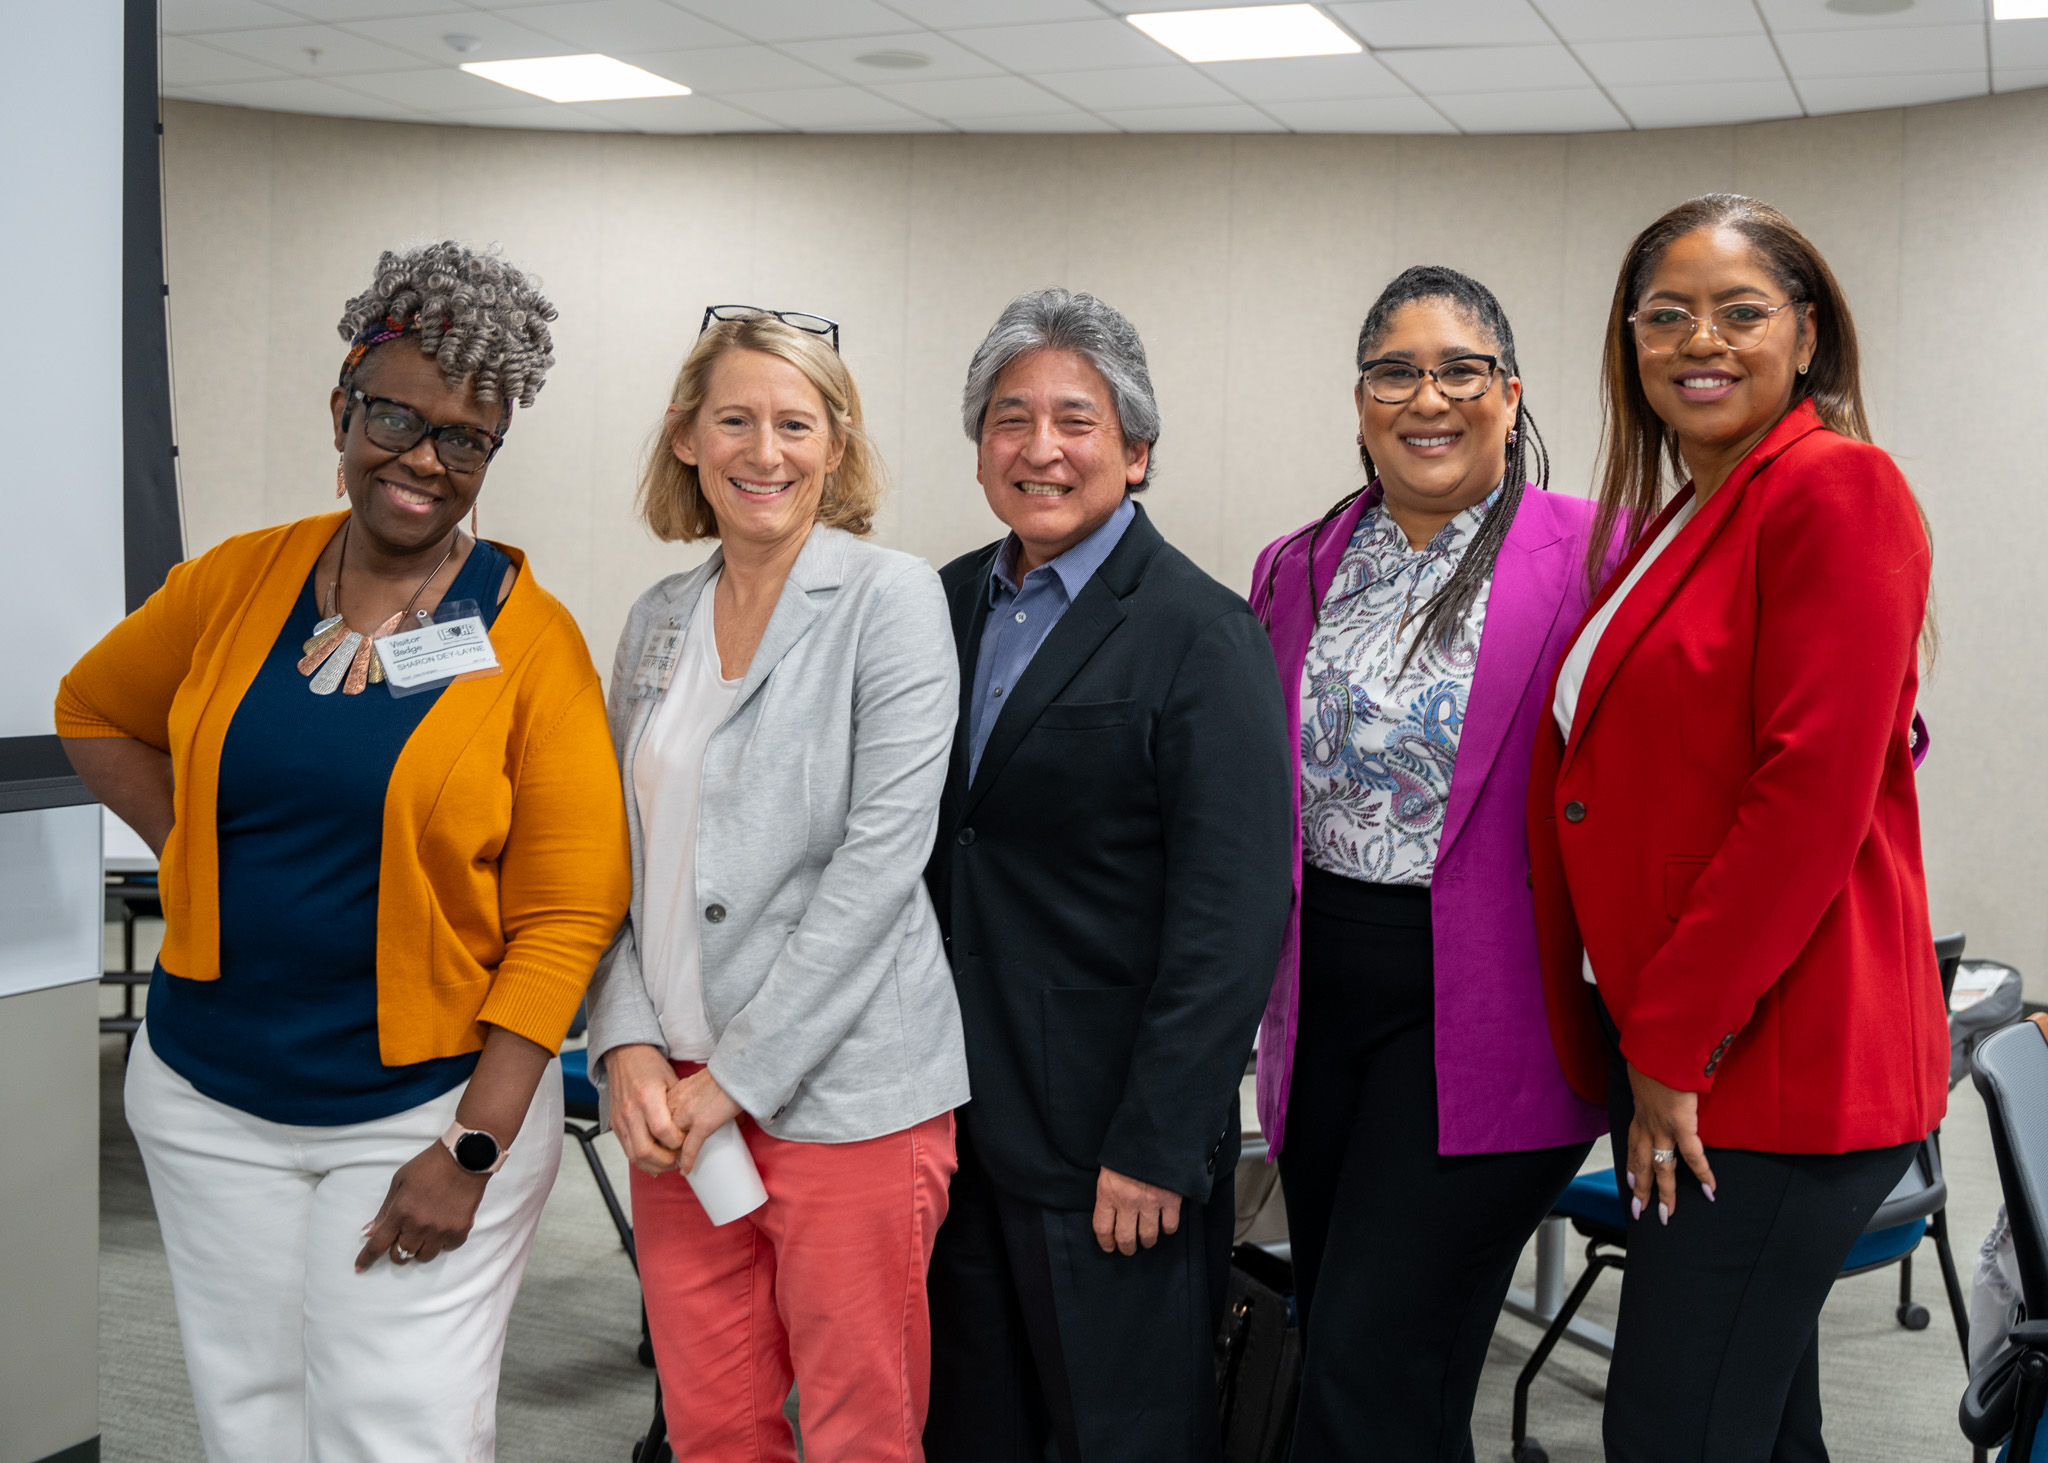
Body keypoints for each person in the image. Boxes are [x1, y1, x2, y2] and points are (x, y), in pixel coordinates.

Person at [54, 241, 630, 1461]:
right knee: (249, 1415)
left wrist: (472, 1144)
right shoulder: (236, 582)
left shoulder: (534, 646)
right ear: (343, 408)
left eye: (463, 439)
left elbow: (568, 916)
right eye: (394, 416)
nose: (421, 458)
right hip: (208, 1089)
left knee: (392, 1427)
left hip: (417, 1108)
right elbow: (94, 710)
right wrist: (197, 854)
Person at [1530, 194, 1948, 1461]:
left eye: (1737, 310)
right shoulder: (1686, 511)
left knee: (1670, 1429)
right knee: (1756, 1425)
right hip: (1693, 1048)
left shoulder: (1836, 488)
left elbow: (1804, 800)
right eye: (1663, 313)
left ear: (1805, 335)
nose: (1694, 339)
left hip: (1762, 1063)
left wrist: (1667, 1041)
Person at [583, 307, 968, 1462]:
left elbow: (877, 865)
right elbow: (609, 855)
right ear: (685, 437)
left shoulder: (888, 600)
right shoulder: (655, 620)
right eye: (735, 420)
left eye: (795, 423)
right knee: (713, 1424)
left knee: (859, 1428)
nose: (766, 451)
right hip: (673, 1103)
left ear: (835, 445)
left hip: (846, 1094)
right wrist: (627, 1045)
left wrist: (735, 1079)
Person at [921, 287, 1293, 1463]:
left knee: (1115, 1435)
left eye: (1074, 420)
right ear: (979, 446)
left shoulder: (1200, 632)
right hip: (942, 1116)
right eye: (1009, 418)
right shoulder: (935, 604)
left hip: (1106, 1145)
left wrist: (1155, 1135)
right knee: (971, 1424)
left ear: (1135, 452)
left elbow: (1232, 913)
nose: (1040, 449)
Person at [1246, 266, 1608, 1463]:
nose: (1427, 396)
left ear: (1509, 393)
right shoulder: (1294, 565)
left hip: (1492, 1001)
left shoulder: (1597, 549)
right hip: (1321, 997)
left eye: (1459, 369)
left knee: (1365, 1346)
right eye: (1395, 371)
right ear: (1359, 402)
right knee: (1387, 1347)